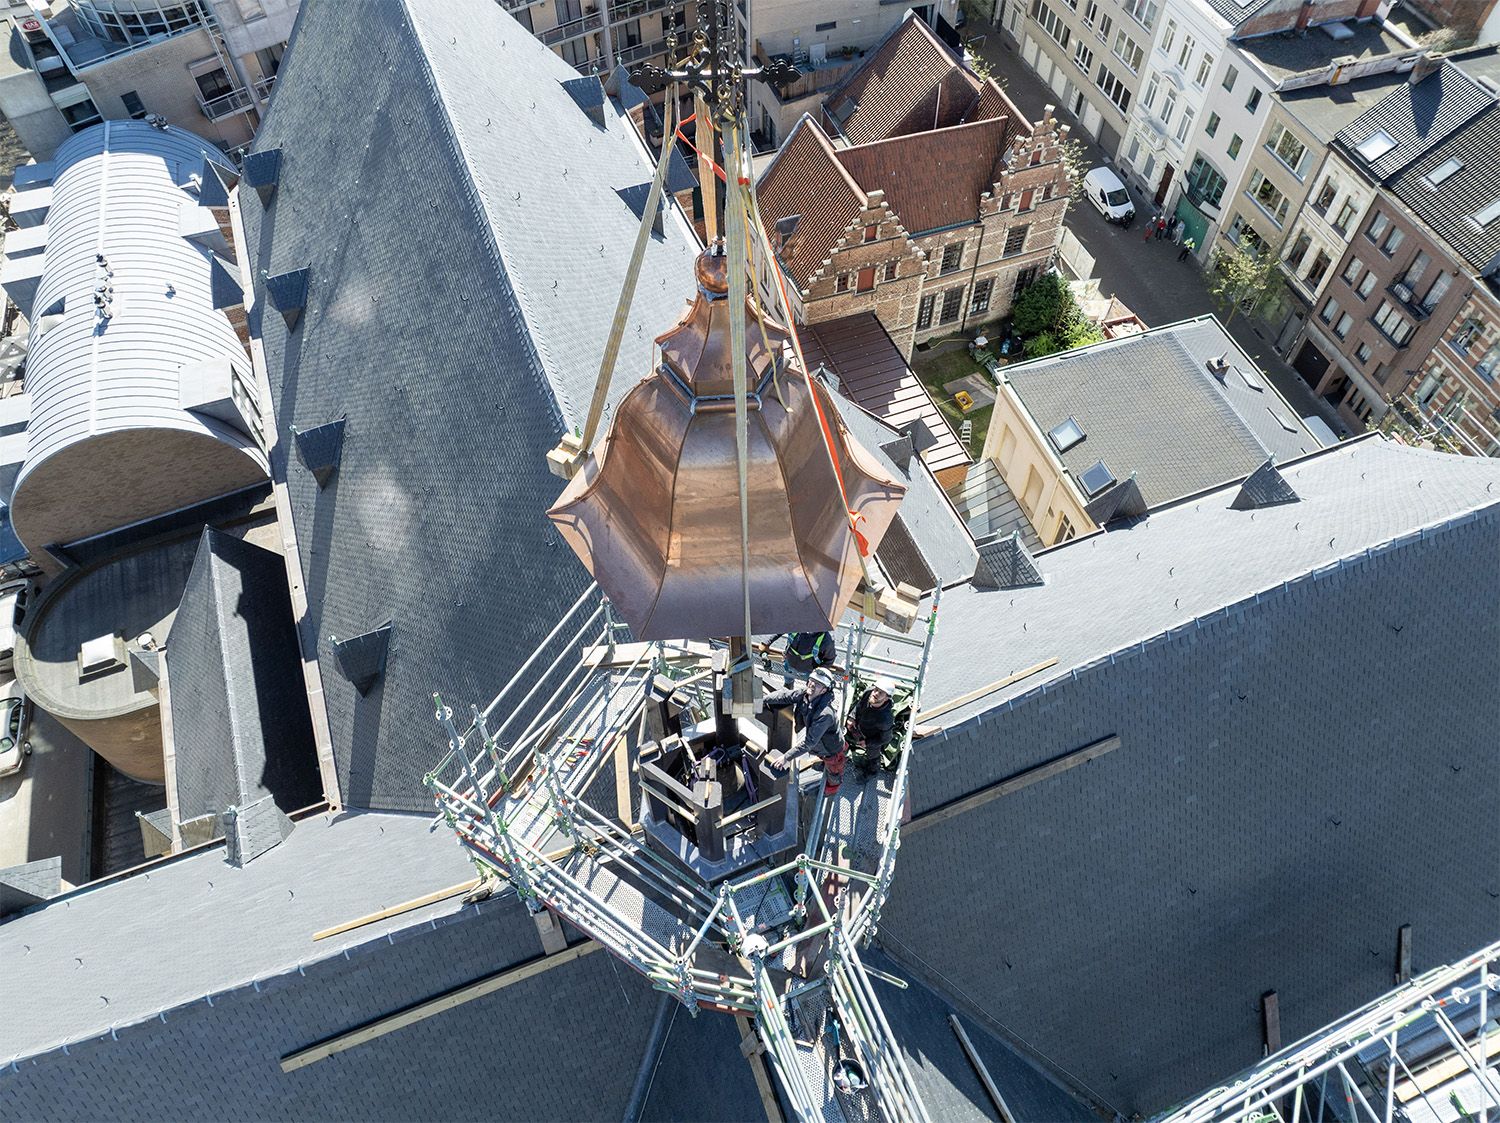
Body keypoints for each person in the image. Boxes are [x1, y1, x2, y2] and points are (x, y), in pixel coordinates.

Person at [764, 667, 845, 792]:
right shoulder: (804, 694)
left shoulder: (825, 714)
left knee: (834, 772)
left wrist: (785, 757)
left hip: (831, 749)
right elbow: (785, 696)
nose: (812, 684)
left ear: (824, 690)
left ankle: (831, 789)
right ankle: (823, 763)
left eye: (818, 684)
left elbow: (809, 743)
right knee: (823, 758)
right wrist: (763, 700)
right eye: (812, 680)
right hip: (820, 744)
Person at [845, 677, 896, 777]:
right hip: (858, 727)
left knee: (873, 756)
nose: (875, 693)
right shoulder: (869, 693)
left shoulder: (885, 718)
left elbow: (886, 739)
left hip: (871, 737)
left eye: (881, 693)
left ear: (886, 698)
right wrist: (852, 717)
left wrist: (867, 743)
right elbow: (859, 704)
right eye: (876, 689)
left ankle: (873, 771)